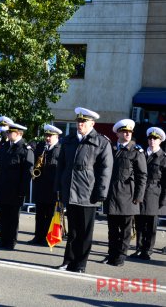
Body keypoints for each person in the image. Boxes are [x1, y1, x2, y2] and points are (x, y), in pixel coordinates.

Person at [55, 107, 113, 273]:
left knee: (85, 232)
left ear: (92, 124)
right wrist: (58, 187)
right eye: (78, 121)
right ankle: (68, 261)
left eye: (83, 122)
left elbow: (105, 170)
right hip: (71, 191)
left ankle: (80, 264)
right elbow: (62, 166)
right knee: (72, 230)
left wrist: (101, 193)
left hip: (89, 193)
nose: (80, 124)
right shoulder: (69, 140)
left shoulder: (101, 142)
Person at [102, 119, 147, 267]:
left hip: (128, 196)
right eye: (124, 131)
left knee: (126, 230)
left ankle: (121, 256)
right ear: (118, 133)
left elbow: (142, 176)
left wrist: (138, 197)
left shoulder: (136, 151)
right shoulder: (111, 149)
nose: (127, 134)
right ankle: (111, 254)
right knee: (112, 229)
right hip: (112, 195)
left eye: (129, 132)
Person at [0, 122, 34, 250]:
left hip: (15, 189)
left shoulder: (25, 149)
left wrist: (22, 190)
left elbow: (27, 173)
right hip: (3, 187)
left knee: (13, 217)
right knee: (3, 215)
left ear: (18, 133)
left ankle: (11, 241)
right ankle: (3, 239)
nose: (7, 134)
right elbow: (0, 167)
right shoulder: (6, 146)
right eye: (8, 132)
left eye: (10, 132)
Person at [130, 127, 166, 260]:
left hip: (154, 194)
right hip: (139, 192)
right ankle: (138, 248)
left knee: (151, 225)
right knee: (139, 223)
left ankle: (148, 250)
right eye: (150, 138)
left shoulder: (163, 158)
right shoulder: (141, 154)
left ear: (160, 141)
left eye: (155, 139)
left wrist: (163, 200)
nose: (152, 141)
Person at [29, 124, 63, 246]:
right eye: (46, 135)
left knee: (49, 215)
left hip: (52, 187)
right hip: (41, 185)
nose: (47, 138)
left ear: (57, 136)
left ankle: (47, 238)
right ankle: (37, 236)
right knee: (39, 214)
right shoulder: (41, 147)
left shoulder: (60, 149)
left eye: (50, 136)